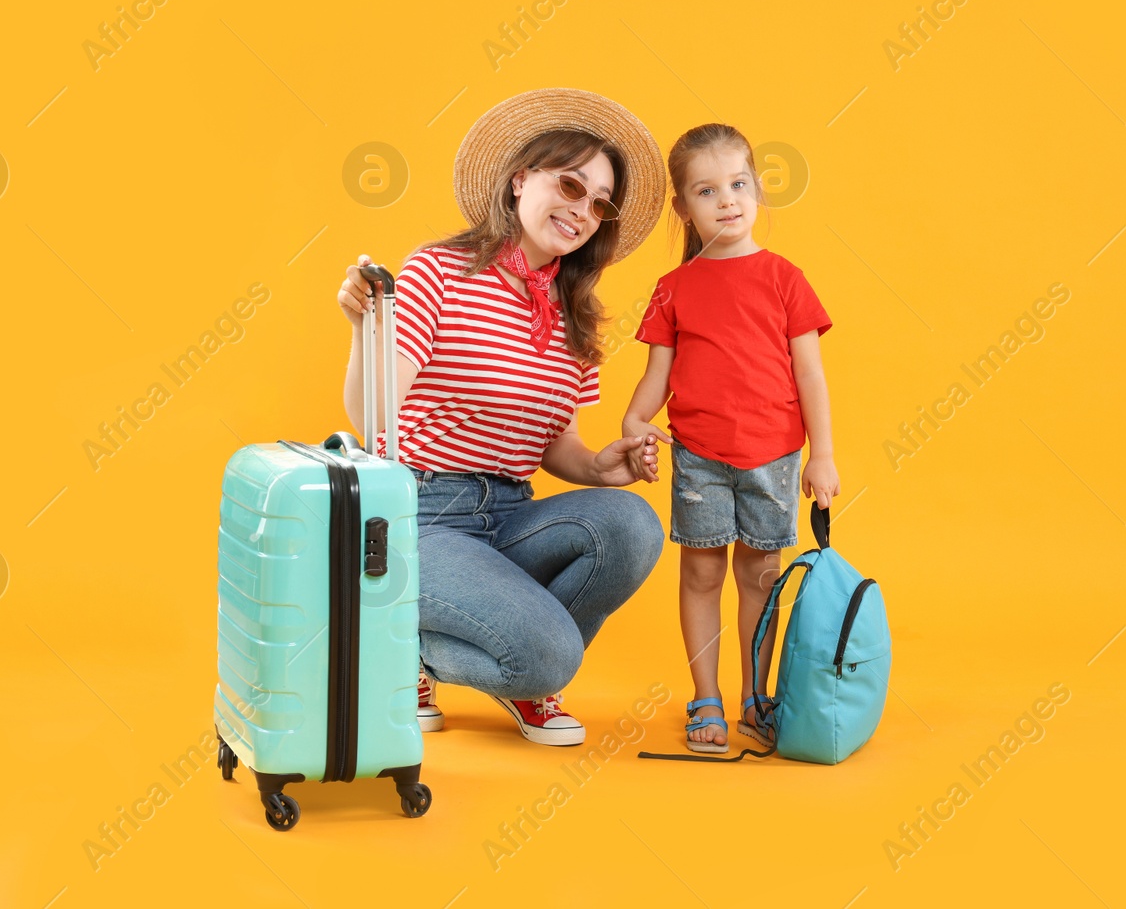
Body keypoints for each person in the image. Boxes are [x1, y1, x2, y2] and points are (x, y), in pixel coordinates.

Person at [335, 88, 668, 746]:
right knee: (550, 654)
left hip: (513, 513)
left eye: (598, 203)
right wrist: (367, 331)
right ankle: (431, 654)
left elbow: (557, 446)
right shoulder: (441, 269)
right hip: (421, 516)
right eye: (570, 184)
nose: (581, 210)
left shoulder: (576, 316)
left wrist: (603, 466)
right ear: (521, 180)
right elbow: (375, 416)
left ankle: (521, 666)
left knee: (633, 525)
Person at [621, 122, 840, 753]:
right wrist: (635, 424)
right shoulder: (676, 288)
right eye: (707, 190)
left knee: (761, 576)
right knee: (700, 574)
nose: (728, 200)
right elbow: (655, 376)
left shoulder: (784, 278)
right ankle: (706, 697)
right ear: (683, 207)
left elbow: (811, 375)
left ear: (758, 189)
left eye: (739, 184)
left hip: (774, 457)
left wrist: (821, 455)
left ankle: (755, 695)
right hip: (699, 458)